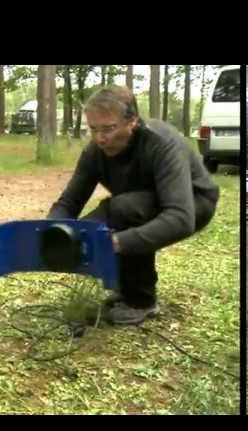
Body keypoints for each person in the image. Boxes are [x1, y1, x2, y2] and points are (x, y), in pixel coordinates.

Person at [48, 85, 219, 326]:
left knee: (124, 212)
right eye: (93, 129)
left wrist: (116, 242)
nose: (100, 138)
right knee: (90, 229)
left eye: (108, 128)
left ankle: (141, 300)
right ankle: (125, 287)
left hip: (192, 203)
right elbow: (69, 202)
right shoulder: (94, 151)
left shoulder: (162, 144)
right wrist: (52, 232)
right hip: (136, 201)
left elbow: (180, 218)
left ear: (132, 121)